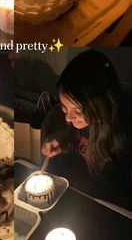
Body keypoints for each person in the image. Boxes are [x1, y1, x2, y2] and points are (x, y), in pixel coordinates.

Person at [42, 49, 132, 209]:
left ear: (101, 106)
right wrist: (62, 143)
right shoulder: (74, 124)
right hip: (76, 198)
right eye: (64, 108)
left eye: (77, 111)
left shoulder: (123, 132)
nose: (68, 118)